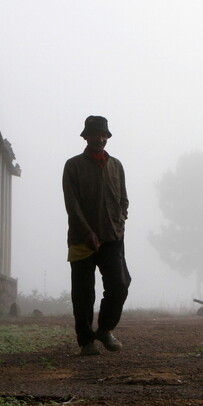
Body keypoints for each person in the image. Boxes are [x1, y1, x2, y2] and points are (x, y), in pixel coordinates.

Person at [62, 115, 131, 356]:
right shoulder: (73, 166)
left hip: (112, 237)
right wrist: (87, 231)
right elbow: (72, 205)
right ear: (85, 137)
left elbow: (123, 199)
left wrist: (120, 221)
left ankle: (105, 330)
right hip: (82, 240)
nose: (99, 139)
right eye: (94, 135)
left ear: (107, 137)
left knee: (121, 284)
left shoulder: (116, 166)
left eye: (104, 135)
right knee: (83, 293)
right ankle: (86, 341)